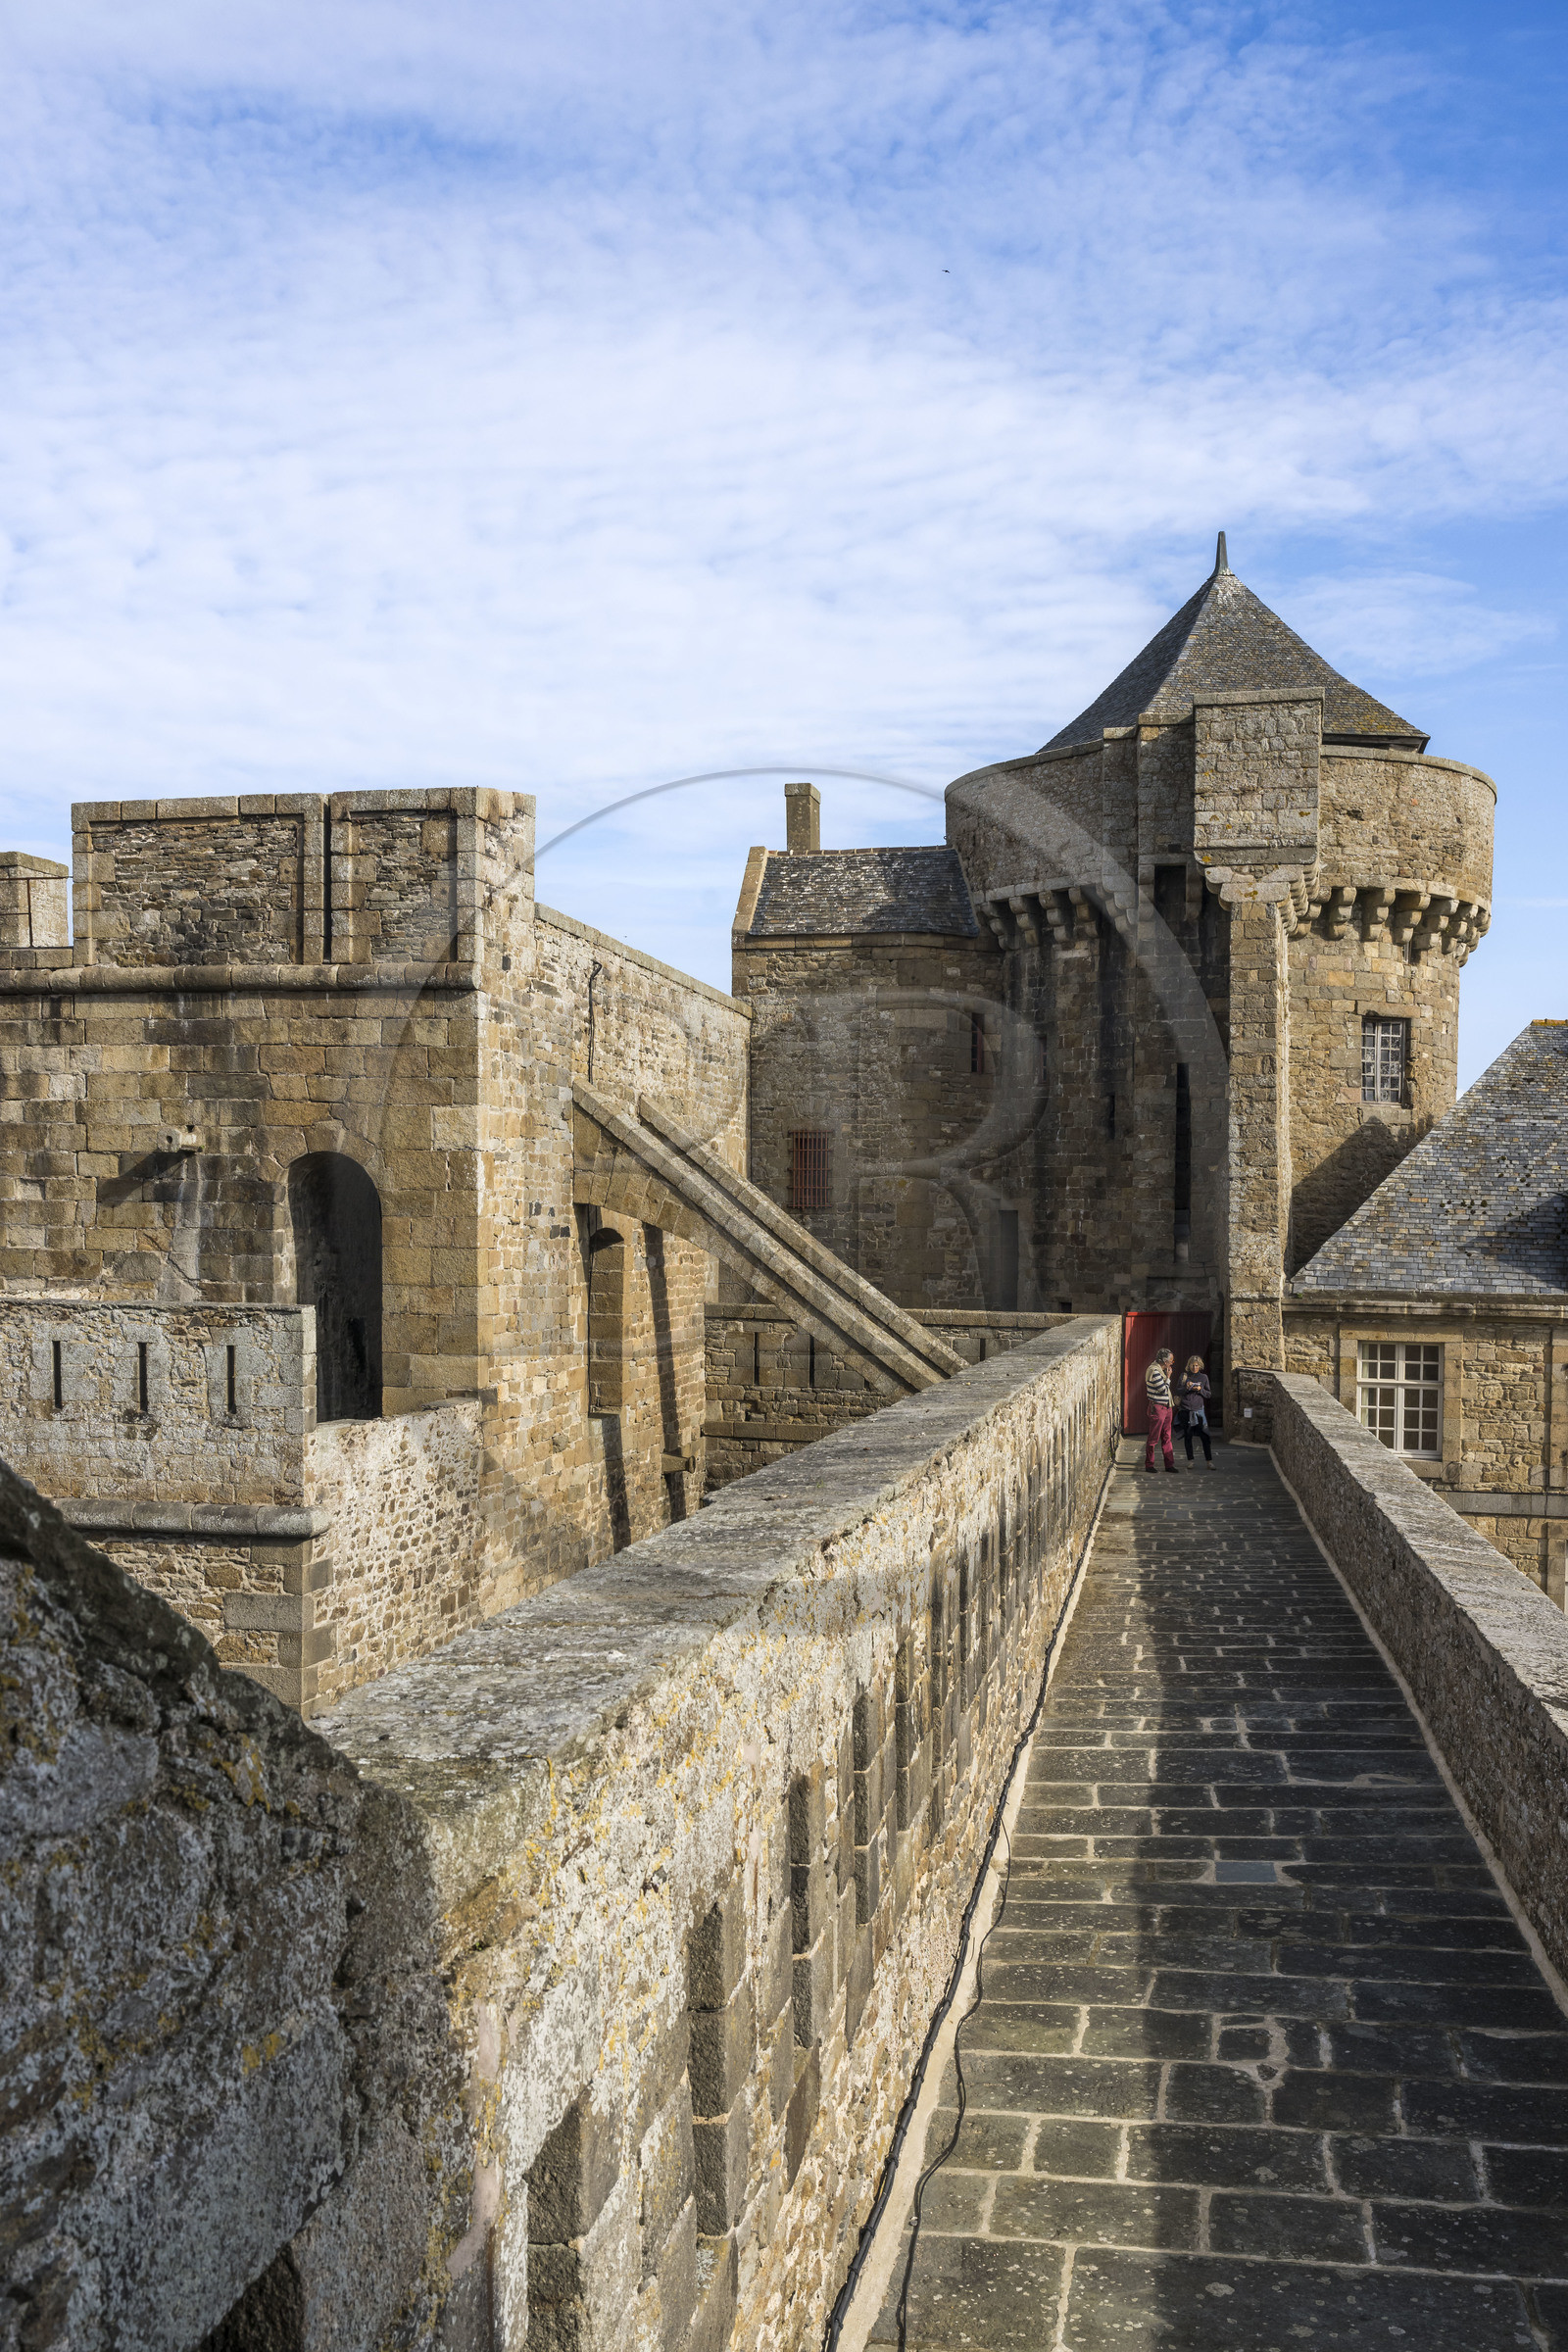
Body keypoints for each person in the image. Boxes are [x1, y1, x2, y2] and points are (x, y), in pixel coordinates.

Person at [1176, 1354, 1213, 1466]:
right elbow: (1178, 1391)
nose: (1194, 1368)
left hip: (1199, 1411)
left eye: (1197, 1365)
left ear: (1200, 1366)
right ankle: (1190, 1461)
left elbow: (1208, 1394)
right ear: (1189, 1366)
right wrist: (1186, 1387)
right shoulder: (1184, 1376)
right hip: (1185, 1410)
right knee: (1188, 1436)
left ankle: (1209, 1461)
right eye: (1192, 1365)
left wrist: (1200, 1389)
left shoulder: (1204, 1378)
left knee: (1205, 1436)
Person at [1144, 1348, 1177, 1472]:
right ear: (1164, 1361)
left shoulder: (1160, 1370)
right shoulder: (1154, 1371)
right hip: (1158, 1407)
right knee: (1154, 1437)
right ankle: (1149, 1464)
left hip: (1167, 1407)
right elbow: (1163, 1389)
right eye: (1171, 1361)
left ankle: (1169, 1464)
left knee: (1167, 1436)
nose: (1172, 1363)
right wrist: (1168, 1377)